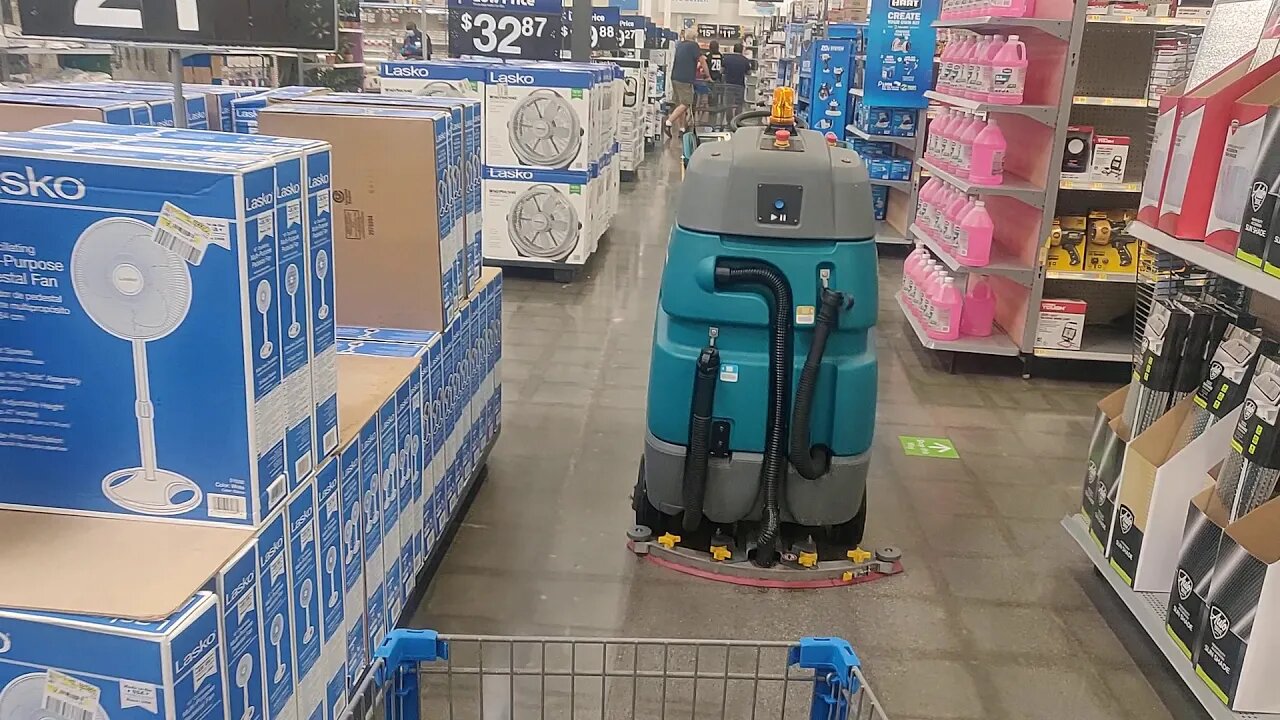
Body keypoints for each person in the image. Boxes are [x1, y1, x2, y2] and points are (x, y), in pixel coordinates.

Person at [665, 28, 705, 137]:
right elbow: (702, 61)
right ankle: (668, 122)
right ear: (694, 38)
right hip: (685, 79)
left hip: (674, 77)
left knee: (680, 104)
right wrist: (708, 75)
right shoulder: (693, 46)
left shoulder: (679, 45)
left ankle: (682, 129)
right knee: (686, 103)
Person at [722, 43, 755, 120]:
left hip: (728, 84)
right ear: (742, 50)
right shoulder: (745, 60)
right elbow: (749, 73)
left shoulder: (727, 58)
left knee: (728, 105)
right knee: (739, 105)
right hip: (740, 85)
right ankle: (737, 120)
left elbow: (722, 71)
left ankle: (729, 121)